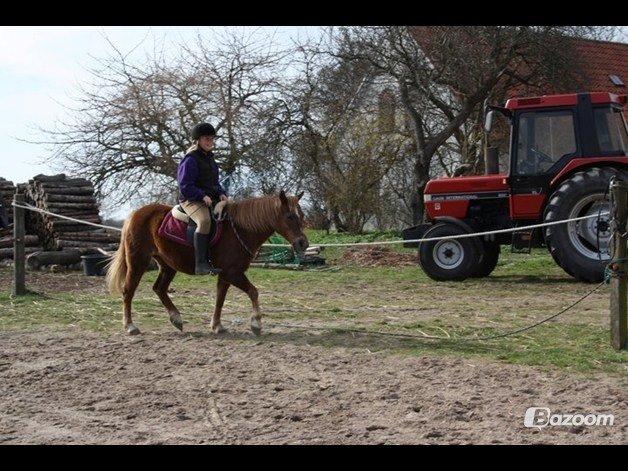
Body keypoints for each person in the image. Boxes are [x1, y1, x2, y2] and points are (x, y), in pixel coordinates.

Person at [177, 123, 228, 275]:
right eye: (207, 139)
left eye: (212, 139)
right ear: (198, 140)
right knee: (205, 221)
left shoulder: (210, 159)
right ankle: (200, 264)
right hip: (190, 199)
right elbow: (184, 185)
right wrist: (201, 195)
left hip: (209, 199)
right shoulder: (190, 159)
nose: (210, 142)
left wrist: (221, 193)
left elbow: (214, 183)